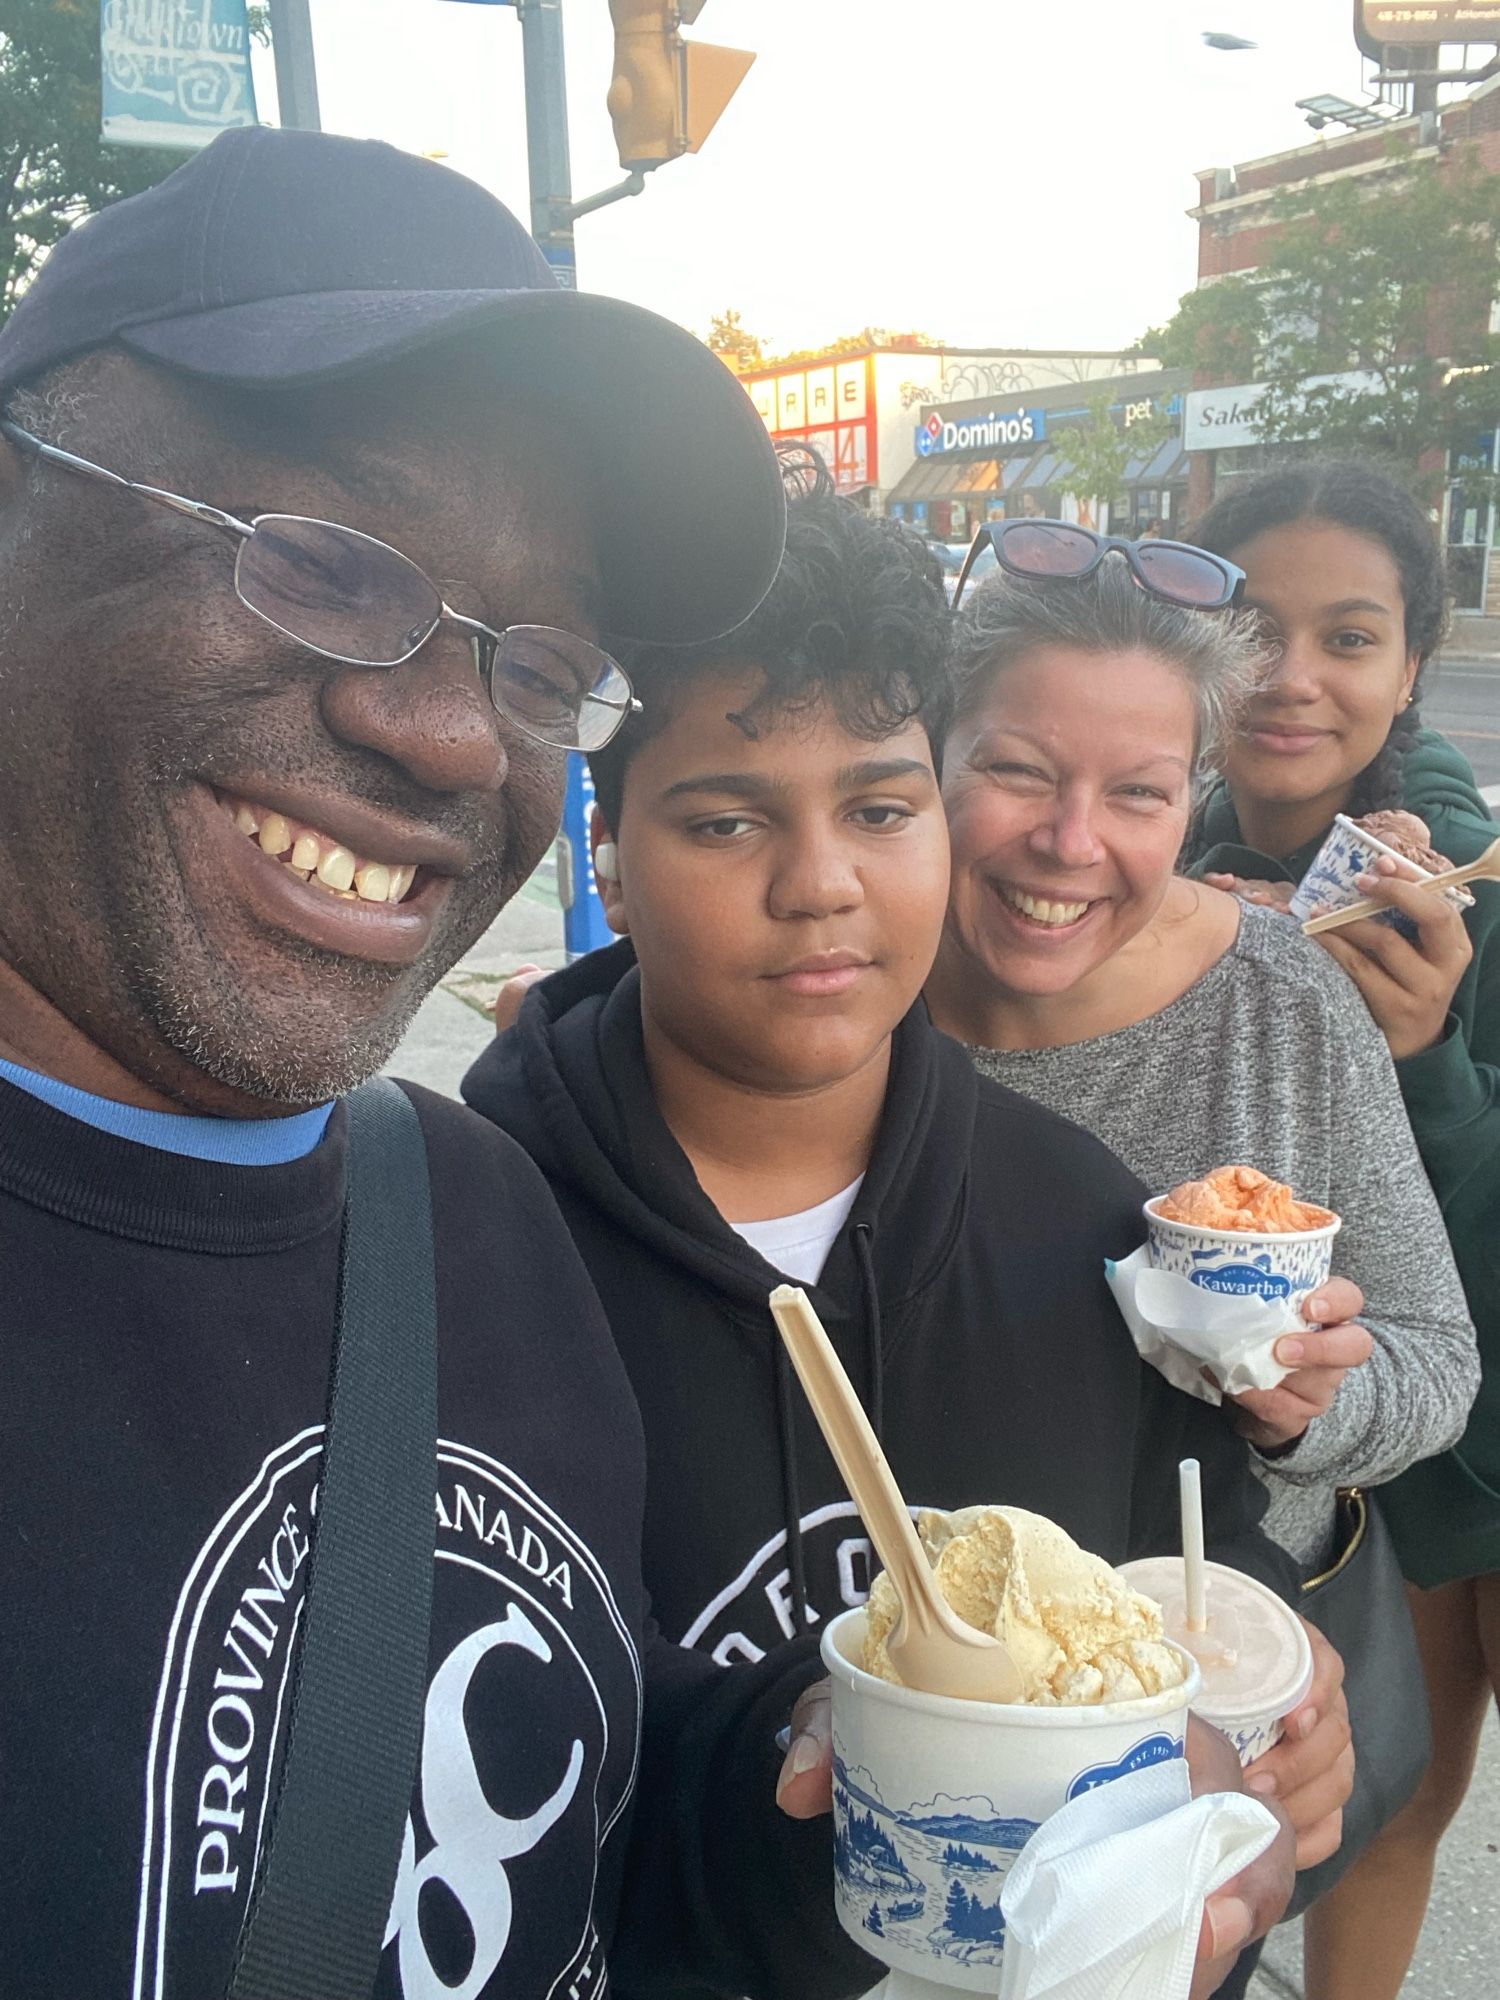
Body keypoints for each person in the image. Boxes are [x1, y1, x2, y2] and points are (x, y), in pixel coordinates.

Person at [0, 126, 867, 2000]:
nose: (459, 742)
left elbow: (575, 1832)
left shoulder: (461, 1203)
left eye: (540, 667)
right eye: (326, 560)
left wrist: (848, 1778)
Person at [467, 459, 1348, 1998]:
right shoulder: (467, 1247)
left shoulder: (1080, 1220)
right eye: (728, 822)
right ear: (607, 852)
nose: (821, 886)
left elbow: (1187, 1610)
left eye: (880, 807)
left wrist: (1258, 1787)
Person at [920, 530, 1479, 1999]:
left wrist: (1307, 1400)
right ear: (928, 752)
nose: (1072, 843)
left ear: (1195, 798)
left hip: (1210, 1695)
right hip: (927, 1680)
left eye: (1142, 794)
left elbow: (1436, 1359)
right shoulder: (848, 986)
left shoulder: (1282, 996)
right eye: (1021, 771)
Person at [1188, 463, 1500, 2000]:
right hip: (1329, 1426)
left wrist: (1431, 1062)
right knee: (1384, 1792)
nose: (1294, 678)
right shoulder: (1154, 858)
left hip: (1477, 1397)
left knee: (1405, 1790)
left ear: (1408, 672)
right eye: (1252, 625)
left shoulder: (1461, 892)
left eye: (1351, 636)